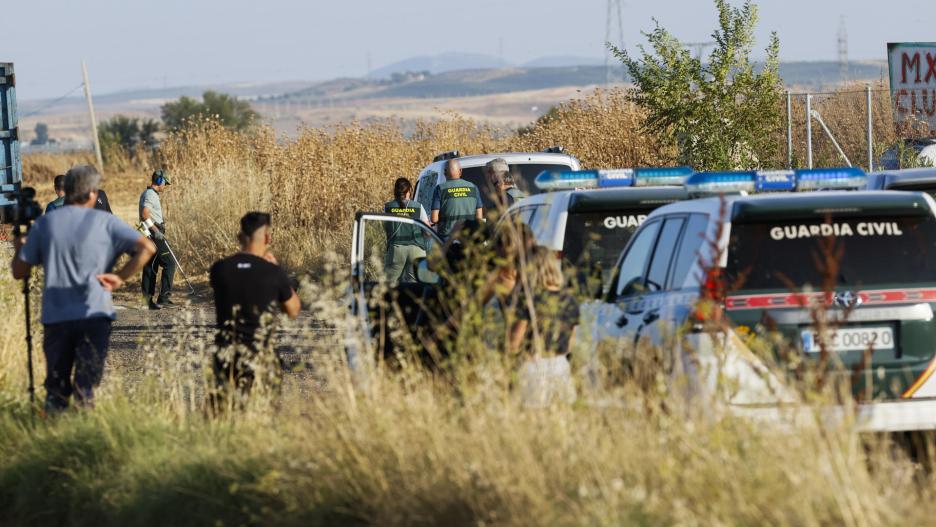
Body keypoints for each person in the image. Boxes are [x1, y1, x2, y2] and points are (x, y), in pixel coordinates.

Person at [10, 165, 156, 412]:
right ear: (92, 193)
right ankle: (82, 427)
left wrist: (19, 246)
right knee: (86, 386)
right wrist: (119, 276)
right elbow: (147, 248)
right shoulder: (105, 222)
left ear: (65, 192)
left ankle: (55, 432)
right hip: (94, 314)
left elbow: (19, 272)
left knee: (56, 386)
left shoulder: (46, 223)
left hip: (56, 316)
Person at [209, 212, 300, 408]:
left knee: (224, 414)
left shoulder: (219, 269)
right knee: (263, 415)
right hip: (262, 357)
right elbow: (293, 310)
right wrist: (276, 270)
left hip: (226, 356)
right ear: (267, 237)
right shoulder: (273, 273)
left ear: (240, 237)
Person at [139, 169, 176, 309]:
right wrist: (155, 231)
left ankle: (147, 300)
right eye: (165, 183)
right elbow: (144, 214)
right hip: (154, 233)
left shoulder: (148, 193)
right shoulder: (151, 194)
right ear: (159, 180)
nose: (165, 186)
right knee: (169, 263)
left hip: (148, 233)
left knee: (151, 266)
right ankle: (164, 298)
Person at [384, 177, 430, 284]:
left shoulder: (388, 207)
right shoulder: (418, 207)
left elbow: (386, 227)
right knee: (415, 285)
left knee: (389, 285)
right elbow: (428, 232)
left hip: (396, 249)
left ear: (395, 191)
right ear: (409, 190)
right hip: (416, 250)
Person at [430, 159, 483, 239]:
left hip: (447, 238)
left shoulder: (440, 189)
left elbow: (434, 219)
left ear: (445, 172)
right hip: (469, 237)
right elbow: (479, 217)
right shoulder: (473, 187)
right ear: (460, 171)